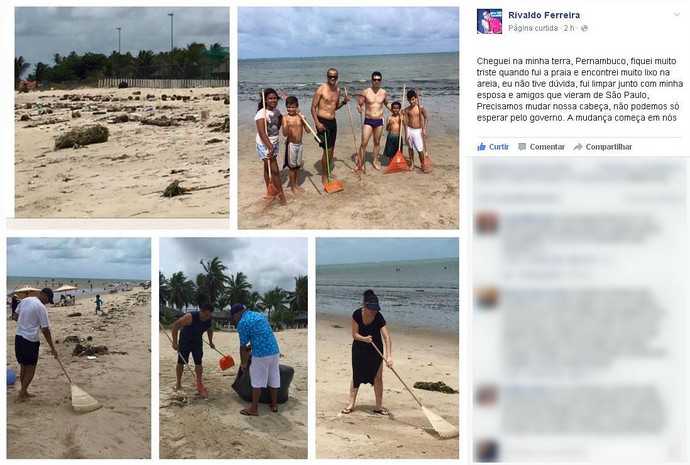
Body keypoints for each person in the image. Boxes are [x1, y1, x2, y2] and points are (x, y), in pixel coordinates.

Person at [342, 290, 393, 415]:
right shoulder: (357, 314)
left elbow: (387, 337)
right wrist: (364, 339)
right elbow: (354, 334)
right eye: (371, 309)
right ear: (365, 306)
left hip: (376, 349)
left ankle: (379, 406)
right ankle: (351, 404)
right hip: (360, 348)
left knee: (378, 376)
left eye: (375, 309)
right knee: (357, 375)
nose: (374, 312)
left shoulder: (379, 317)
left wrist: (389, 356)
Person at [230, 303, 281, 416]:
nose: (234, 319)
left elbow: (242, 347)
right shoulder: (259, 315)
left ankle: (254, 409)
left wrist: (243, 364)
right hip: (274, 351)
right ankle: (274, 405)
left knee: (257, 381)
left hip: (261, 354)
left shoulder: (242, 323)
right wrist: (251, 346)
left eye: (233, 316)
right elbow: (261, 335)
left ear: (238, 313)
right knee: (273, 377)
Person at [14, 288, 58, 402]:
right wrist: (52, 347)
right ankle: (21, 394)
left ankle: (24, 391)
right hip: (30, 341)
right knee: (31, 369)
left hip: (18, 337)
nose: (48, 302)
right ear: (43, 294)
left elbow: (15, 316)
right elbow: (45, 329)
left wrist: (26, 323)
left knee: (23, 366)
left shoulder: (26, 300)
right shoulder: (41, 307)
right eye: (48, 299)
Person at [311, 68, 350, 185]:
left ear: (337, 77)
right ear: (327, 76)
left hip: (333, 122)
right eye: (330, 76)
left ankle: (328, 171)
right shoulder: (321, 89)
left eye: (335, 76)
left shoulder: (337, 90)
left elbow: (335, 107)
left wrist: (343, 102)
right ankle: (324, 175)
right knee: (327, 150)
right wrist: (317, 123)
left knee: (332, 149)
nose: (332, 78)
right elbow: (313, 108)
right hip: (322, 122)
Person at [171, 302, 215, 392]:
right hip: (185, 341)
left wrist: (211, 342)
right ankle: (178, 383)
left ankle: (199, 383)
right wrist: (175, 342)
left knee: (198, 363)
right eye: (206, 315)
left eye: (209, 316)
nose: (207, 317)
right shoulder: (190, 317)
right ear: (201, 311)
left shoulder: (209, 320)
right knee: (181, 362)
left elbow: (210, 329)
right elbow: (175, 326)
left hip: (197, 341)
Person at [255, 88, 286, 205]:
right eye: (270, 98)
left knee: (267, 166)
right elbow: (262, 133)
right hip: (264, 145)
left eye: (275, 98)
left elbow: (281, 119)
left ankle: (270, 189)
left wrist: (276, 131)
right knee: (275, 171)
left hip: (274, 143)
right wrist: (270, 147)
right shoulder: (260, 114)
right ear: (265, 100)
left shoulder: (276, 112)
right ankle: (281, 194)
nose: (273, 100)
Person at [357, 71, 392, 171]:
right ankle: (358, 163)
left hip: (379, 121)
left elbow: (387, 104)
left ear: (381, 81)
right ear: (371, 80)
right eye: (375, 79)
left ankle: (375, 161)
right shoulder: (366, 91)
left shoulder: (383, 92)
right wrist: (359, 107)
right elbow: (360, 103)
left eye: (378, 80)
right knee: (364, 143)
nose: (376, 81)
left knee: (377, 142)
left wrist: (395, 111)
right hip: (368, 120)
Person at [282, 95, 313, 195]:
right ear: (286, 107)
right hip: (291, 145)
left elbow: (308, 131)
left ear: (297, 107)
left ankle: (295, 184)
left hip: (300, 144)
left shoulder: (300, 117)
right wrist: (288, 125)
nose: (291, 109)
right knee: (291, 167)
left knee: (297, 166)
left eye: (293, 107)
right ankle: (293, 186)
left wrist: (304, 120)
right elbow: (284, 134)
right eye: (289, 107)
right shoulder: (285, 118)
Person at [404, 90, 430, 171]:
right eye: (410, 100)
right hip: (410, 130)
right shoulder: (407, 110)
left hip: (418, 130)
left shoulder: (420, 108)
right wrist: (406, 133)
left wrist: (424, 129)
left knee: (420, 149)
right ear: (408, 100)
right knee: (410, 148)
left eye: (413, 99)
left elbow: (426, 117)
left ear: (416, 98)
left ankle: (422, 164)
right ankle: (412, 163)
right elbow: (405, 123)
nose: (412, 101)